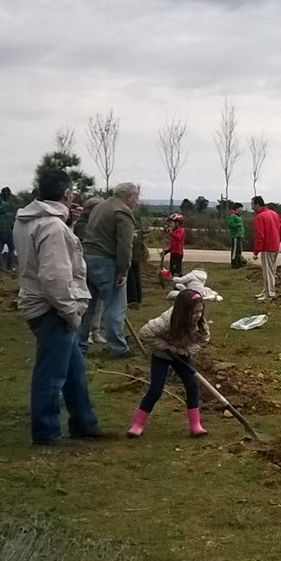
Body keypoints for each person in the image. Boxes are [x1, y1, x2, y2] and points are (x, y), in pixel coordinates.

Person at [14, 168, 98, 445]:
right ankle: (46, 432)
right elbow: (54, 276)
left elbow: (51, 257)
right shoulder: (52, 227)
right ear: (66, 193)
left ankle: (84, 422)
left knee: (73, 370)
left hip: (41, 303)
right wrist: (70, 312)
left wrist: (69, 224)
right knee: (51, 374)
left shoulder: (32, 220)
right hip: (51, 309)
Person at [127, 288, 211, 439]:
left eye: (200, 311)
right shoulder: (166, 321)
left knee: (192, 385)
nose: (198, 315)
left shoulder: (200, 324)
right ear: (183, 311)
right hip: (161, 355)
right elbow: (145, 333)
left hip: (182, 355)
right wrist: (168, 348)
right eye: (194, 312)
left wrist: (187, 351)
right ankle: (137, 424)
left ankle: (195, 425)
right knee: (156, 390)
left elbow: (203, 340)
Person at [79, 182, 139, 358]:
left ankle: (79, 344)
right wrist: (123, 271)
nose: (137, 201)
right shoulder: (123, 212)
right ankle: (118, 348)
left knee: (88, 306)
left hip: (88, 259)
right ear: (129, 197)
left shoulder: (100, 206)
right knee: (115, 306)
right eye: (136, 197)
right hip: (107, 261)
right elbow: (124, 246)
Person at [252, 196, 281, 300]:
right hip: (275, 245)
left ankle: (270, 293)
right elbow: (280, 228)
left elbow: (260, 236)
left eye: (252, 205)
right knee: (271, 270)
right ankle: (266, 290)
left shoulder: (260, 217)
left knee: (267, 271)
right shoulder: (274, 213)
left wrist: (256, 251)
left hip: (267, 246)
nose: (252, 208)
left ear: (257, 204)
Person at [0, 187, 17, 272]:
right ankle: (10, 267)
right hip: (8, 229)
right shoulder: (9, 205)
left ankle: (1, 267)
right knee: (11, 249)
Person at [164, 213, 186, 277]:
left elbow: (178, 238)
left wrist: (170, 233)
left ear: (177, 223)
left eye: (171, 223)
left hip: (178, 254)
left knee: (177, 271)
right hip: (173, 253)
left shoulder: (180, 230)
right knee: (172, 270)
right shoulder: (174, 231)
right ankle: (176, 283)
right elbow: (173, 245)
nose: (170, 225)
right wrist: (167, 251)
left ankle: (179, 283)